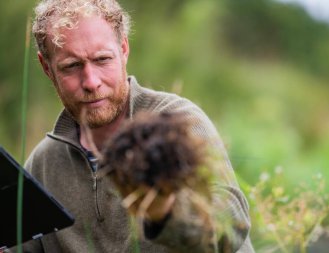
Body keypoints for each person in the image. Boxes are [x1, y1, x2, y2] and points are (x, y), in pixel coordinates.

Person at [17, 0, 254, 252]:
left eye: (102, 59)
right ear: (46, 68)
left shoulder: (177, 124)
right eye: (72, 66)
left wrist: (166, 213)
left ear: (124, 49)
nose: (91, 81)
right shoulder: (43, 164)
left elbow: (231, 223)